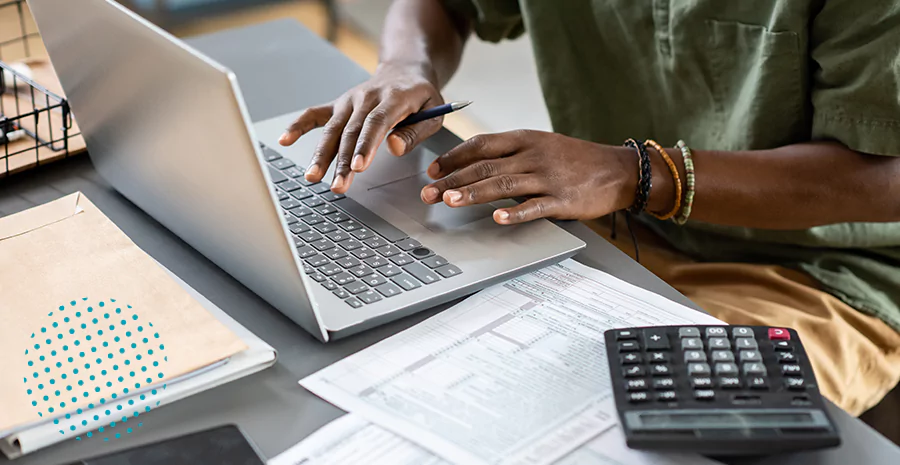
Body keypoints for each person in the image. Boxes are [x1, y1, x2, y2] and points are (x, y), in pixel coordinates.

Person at [279, 0, 900, 417]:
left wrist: (633, 173)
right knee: (408, 370)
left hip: (818, 274)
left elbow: (887, 178)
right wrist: (405, 66)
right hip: (602, 222)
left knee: (606, 424)